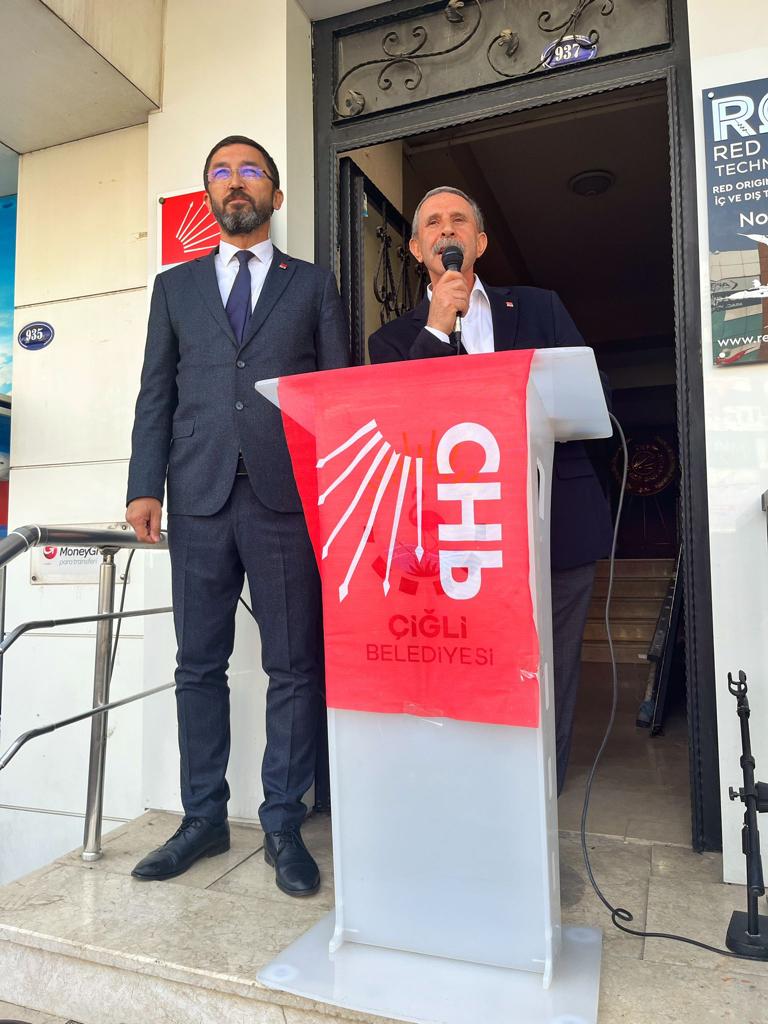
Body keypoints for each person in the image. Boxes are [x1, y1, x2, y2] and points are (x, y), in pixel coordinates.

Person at [125, 135, 349, 895]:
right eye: (221, 172)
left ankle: (283, 821)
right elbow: (156, 390)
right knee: (197, 664)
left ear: (275, 196)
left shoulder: (312, 285)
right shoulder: (175, 287)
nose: (235, 182)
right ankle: (203, 819)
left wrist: (337, 491)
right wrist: (144, 485)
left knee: (293, 664)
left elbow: (337, 395)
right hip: (197, 496)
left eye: (250, 170)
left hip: (287, 498)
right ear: (209, 197)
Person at [368, 186, 612, 794]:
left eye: (459, 221)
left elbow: (591, 395)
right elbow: (401, 426)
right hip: (453, 537)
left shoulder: (537, 307)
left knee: (552, 662)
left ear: (479, 242)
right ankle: (479, 786)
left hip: (551, 516)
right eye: (432, 223)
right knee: (468, 660)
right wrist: (436, 327)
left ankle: (542, 787)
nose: (446, 230)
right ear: (417, 247)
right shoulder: (391, 341)